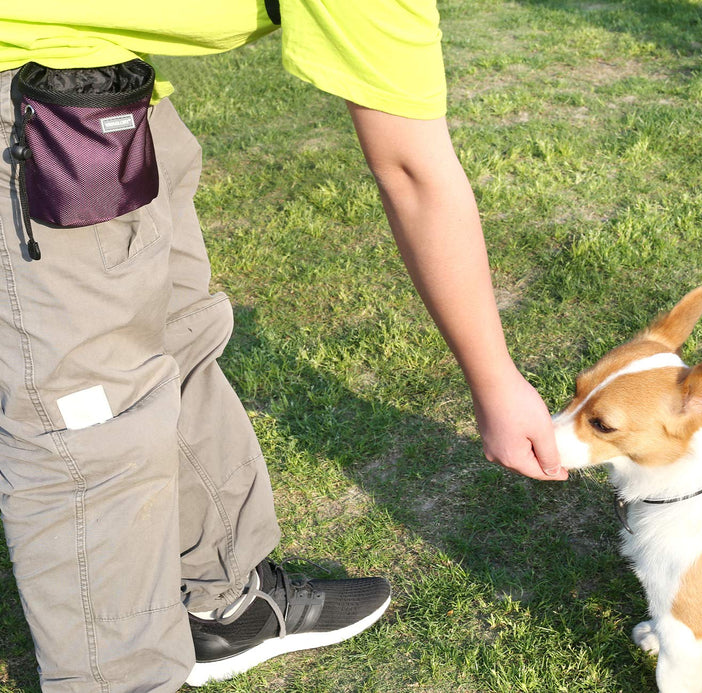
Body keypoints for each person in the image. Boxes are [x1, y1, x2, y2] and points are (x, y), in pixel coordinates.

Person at [0, 1, 566, 690]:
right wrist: (496, 381)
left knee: (177, 336)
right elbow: (414, 173)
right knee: (90, 418)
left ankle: (221, 603)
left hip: (104, 76)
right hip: (32, 94)